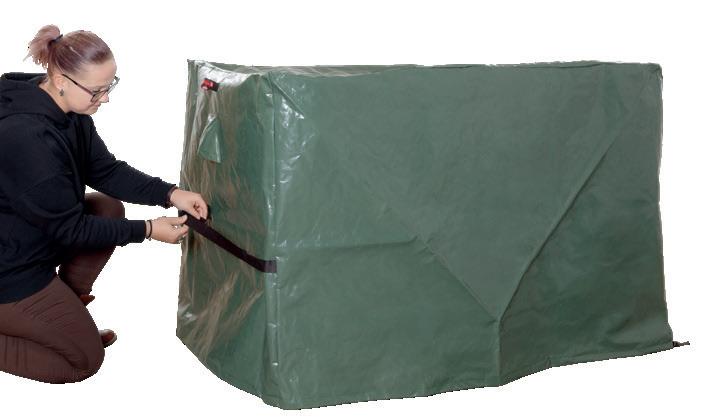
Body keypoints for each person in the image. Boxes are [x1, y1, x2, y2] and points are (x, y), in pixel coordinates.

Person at [0, 25, 208, 384]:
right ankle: (52, 327)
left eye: (110, 86)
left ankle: (63, 316)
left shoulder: (66, 109)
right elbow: (71, 229)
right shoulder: (24, 136)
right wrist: (148, 230)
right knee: (83, 362)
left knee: (107, 208)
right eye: (97, 90)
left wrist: (171, 193)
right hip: (10, 270)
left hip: (31, 237)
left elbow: (104, 170)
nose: (106, 98)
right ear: (61, 80)